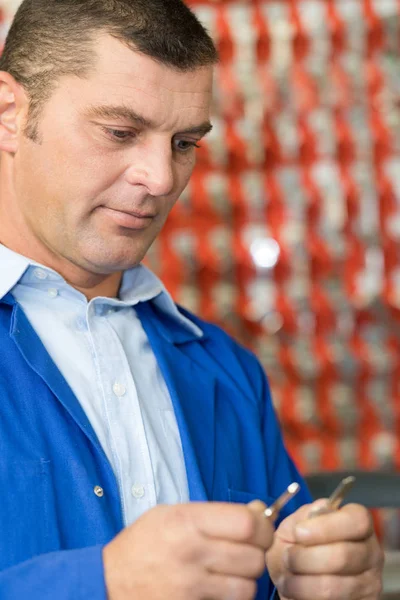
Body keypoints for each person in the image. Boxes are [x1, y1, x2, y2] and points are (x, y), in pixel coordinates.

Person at [0, 1, 383, 599]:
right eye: (120, 132)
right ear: (9, 113)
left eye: (183, 143)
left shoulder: (227, 372)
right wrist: (101, 584)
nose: (159, 177)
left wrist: (308, 582)